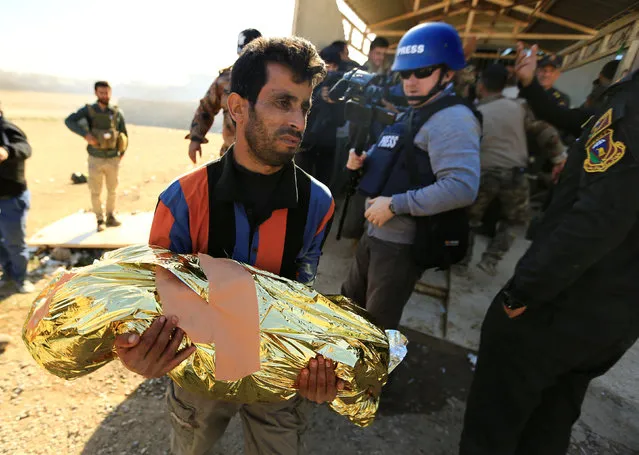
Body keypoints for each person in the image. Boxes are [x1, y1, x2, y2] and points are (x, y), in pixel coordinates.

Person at [114, 37, 341, 455]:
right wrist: (139, 349)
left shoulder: (318, 203)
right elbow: (154, 299)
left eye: (304, 106)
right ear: (237, 108)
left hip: (277, 372)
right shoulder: (182, 200)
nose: (298, 121)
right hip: (200, 375)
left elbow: (303, 291)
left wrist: (318, 360)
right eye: (282, 102)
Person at [459, 42, 639, 455]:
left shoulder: (630, 111)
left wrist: (523, 291)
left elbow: (598, 221)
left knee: (494, 423)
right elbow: (573, 120)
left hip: (565, 304)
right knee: (551, 419)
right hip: (615, 313)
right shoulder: (619, 108)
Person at [341, 22, 481, 330]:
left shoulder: (453, 119)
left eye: (423, 71)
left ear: (447, 73)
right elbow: (395, 160)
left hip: (399, 243)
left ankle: (369, 379)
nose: (411, 82)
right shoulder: (416, 111)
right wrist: (361, 163)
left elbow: (462, 187)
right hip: (376, 233)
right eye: (406, 73)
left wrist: (395, 205)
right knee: (349, 305)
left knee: (376, 326)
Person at [462, 64, 564, 276]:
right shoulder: (519, 107)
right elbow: (544, 130)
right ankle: (490, 260)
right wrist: (559, 158)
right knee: (515, 221)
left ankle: (462, 261)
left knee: (468, 220)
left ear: (481, 86)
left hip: (484, 174)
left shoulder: (474, 112)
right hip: (514, 174)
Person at [186, 28, 262, 163]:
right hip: (230, 154)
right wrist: (196, 138)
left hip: (262, 156)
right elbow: (206, 108)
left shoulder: (270, 80)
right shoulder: (225, 79)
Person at [65, 81, 128, 232]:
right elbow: (69, 121)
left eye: (106, 93)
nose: (104, 95)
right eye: (101, 93)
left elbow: (123, 133)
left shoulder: (116, 112)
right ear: (96, 93)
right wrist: (85, 135)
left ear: (110, 93)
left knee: (112, 190)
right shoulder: (88, 111)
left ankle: (110, 216)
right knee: (96, 191)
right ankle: (100, 220)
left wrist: (122, 153)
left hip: (113, 158)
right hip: (96, 157)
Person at [297, 45, 345, 185]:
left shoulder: (340, 86)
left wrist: (334, 103)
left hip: (327, 146)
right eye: (327, 66)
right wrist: (318, 98)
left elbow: (341, 121)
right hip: (307, 144)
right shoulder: (308, 83)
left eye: (334, 66)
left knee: (323, 183)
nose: (330, 70)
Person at [0, 108, 34, 294]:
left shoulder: (8, 129)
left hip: (11, 198)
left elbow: (25, 148)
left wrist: (7, 151)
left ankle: (21, 278)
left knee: (14, 241)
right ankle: (8, 273)